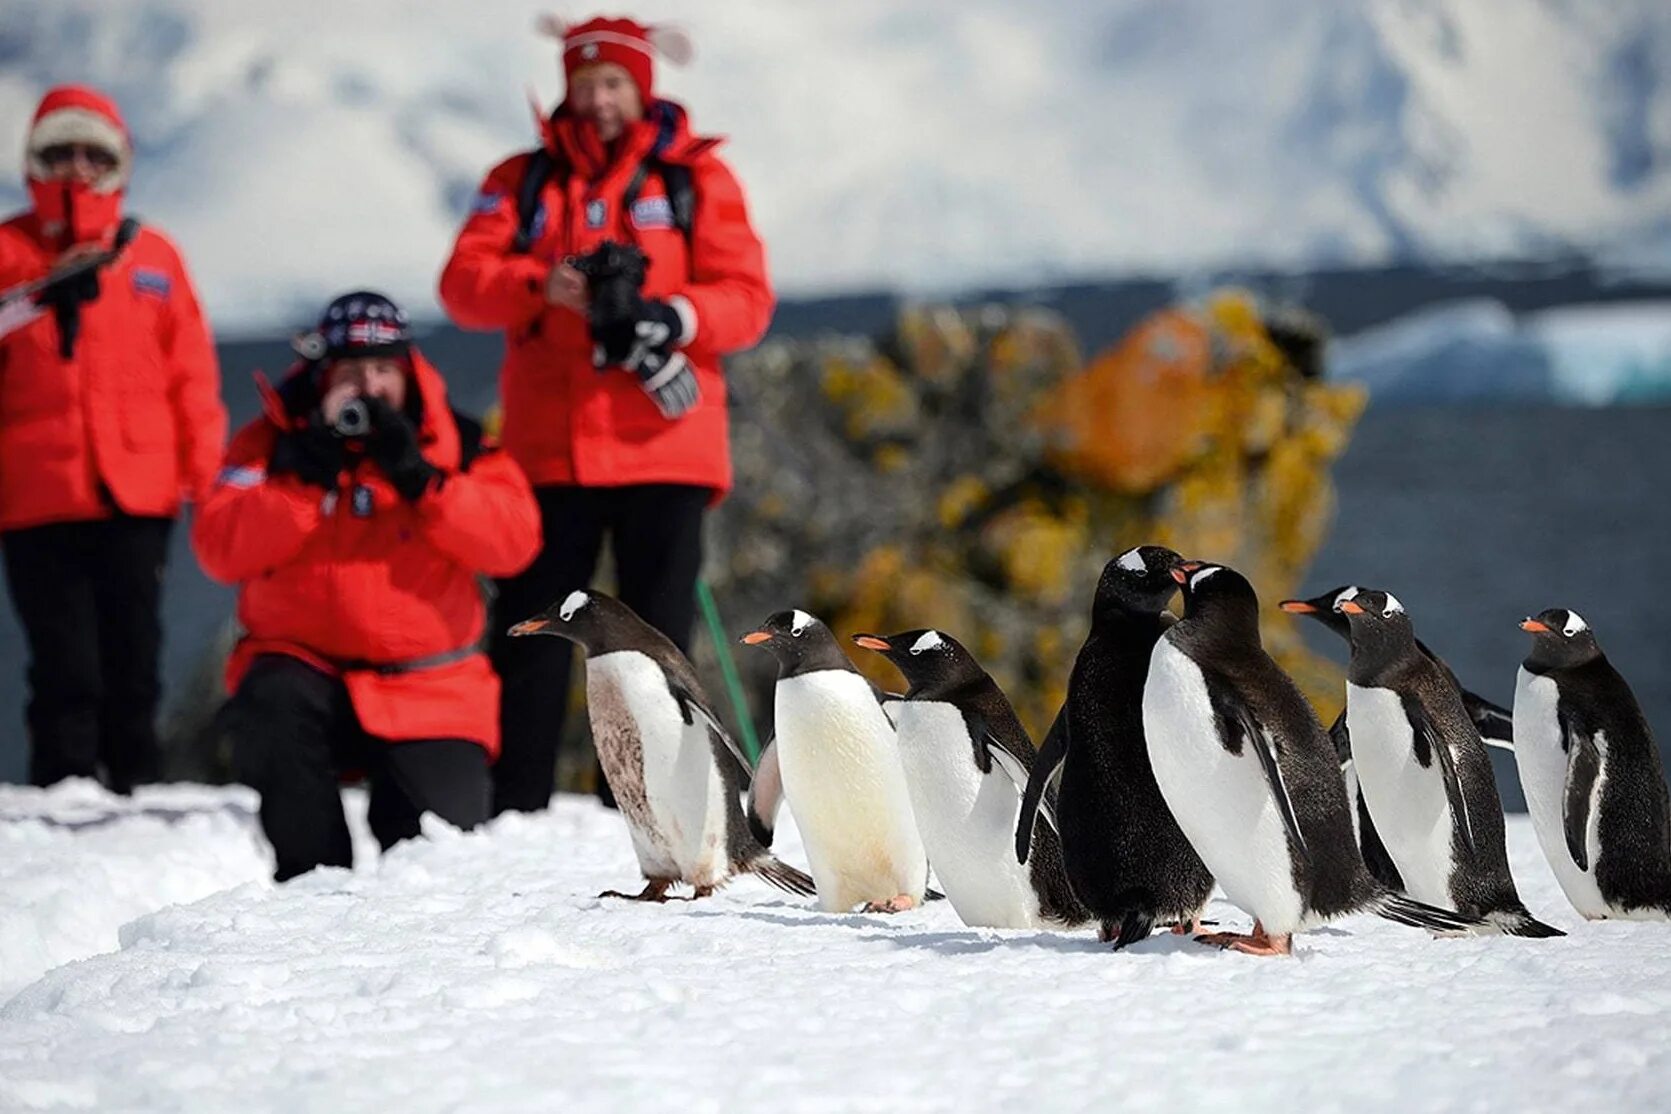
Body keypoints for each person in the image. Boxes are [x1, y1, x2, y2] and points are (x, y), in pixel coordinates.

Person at [440, 15, 775, 815]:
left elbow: (748, 299)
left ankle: (645, 806)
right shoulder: (519, 182)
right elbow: (461, 285)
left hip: (665, 447)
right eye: (584, 83)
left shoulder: (696, 180)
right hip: (547, 451)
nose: (598, 100)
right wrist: (539, 283)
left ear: (643, 86)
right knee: (530, 635)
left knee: (653, 641)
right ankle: (511, 809)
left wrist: (671, 318)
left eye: (614, 82)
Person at [192, 292, 540, 880]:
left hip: (431, 687)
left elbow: (515, 544)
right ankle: (312, 884)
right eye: (351, 373)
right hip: (304, 676)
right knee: (270, 706)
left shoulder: (459, 442)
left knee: (438, 859)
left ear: (408, 375)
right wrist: (303, 482)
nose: (369, 389)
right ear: (323, 378)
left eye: (383, 371)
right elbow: (218, 548)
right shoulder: (271, 445)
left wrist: (423, 483)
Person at [0, 85, 225, 792]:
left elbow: (192, 376)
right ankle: (60, 807)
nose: (76, 168)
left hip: (138, 494)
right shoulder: (6, 254)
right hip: (33, 496)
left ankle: (137, 795)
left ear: (117, 164)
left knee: (135, 657)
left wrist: (207, 482)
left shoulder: (153, 255)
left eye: (92, 154)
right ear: (35, 162)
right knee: (63, 667)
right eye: (59, 153)